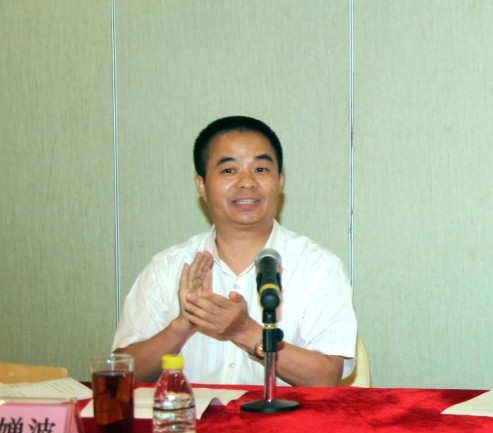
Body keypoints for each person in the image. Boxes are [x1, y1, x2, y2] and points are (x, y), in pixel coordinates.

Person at [114, 116, 357, 386]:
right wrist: (183, 324)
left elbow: (326, 377)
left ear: (280, 181)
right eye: (229, 170)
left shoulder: (319, 267)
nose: (247, 182)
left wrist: (245, 332)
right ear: (202, 186)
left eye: (261, 169)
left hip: (282, 415)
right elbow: (122, 375)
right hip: (191, 414)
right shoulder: (168, 267)